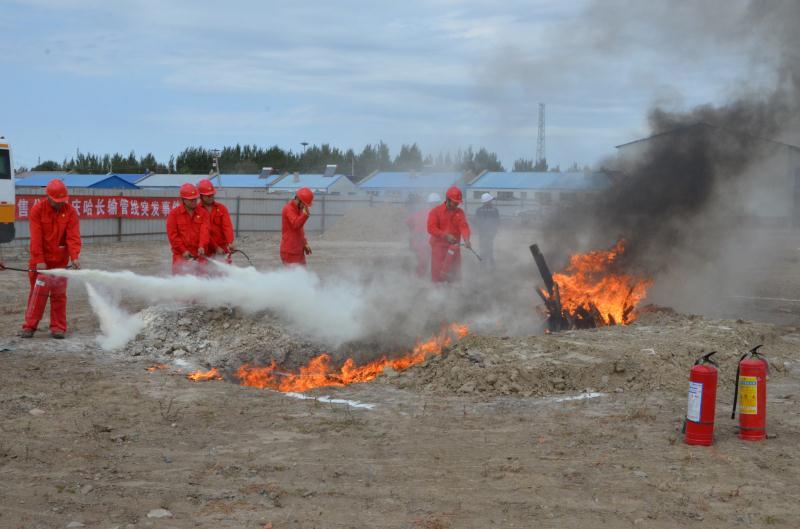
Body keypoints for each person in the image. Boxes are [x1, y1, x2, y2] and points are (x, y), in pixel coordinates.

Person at [20, 179, 81, 339]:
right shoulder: (37, 210)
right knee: (37, 293)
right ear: (48, 197)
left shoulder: (70, 212)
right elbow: (36, 237)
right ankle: (29, 326)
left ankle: (58, 328)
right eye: (57, 201)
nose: (60, 204)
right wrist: (39, 259)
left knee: (59, 295)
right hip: (40, 262)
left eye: (63, 201)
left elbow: (73, 237)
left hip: (60, 262)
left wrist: (74, 257)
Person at [427, 186, 471, 283]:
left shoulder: (459, 212)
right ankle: (436, 292)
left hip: (454, 248)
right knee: (437, 272)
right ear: (448, 200)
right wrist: (445, 235)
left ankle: (453, 291)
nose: (457, 205)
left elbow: (463, 226)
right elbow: (431, 228)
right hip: (439, 248)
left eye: (458, 203)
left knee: (455, 272)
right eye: (455, 203)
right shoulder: (435, 212)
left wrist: (466, 239)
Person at [166, 182, 210, 275]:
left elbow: (205, 231)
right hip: (181, 256)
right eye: (191, 200)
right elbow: (173, 236)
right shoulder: (174, 214)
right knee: (181, 284)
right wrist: (183, 250)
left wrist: (202, 245)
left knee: (202, 283)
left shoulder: (203, 213)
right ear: (183, 200)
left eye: (195, 199)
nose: (194, 202)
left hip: (199, 255)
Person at [197, 179, 236, 261]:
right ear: (201, 196)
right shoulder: (197, 211)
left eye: (212, 194)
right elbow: (203, 232)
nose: (211, 197)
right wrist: (215, 247)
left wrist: (230, 242)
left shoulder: (221, 208)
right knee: (204, 272)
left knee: (224, 272)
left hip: (222, 248)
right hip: (205, 249)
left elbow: (227, 226)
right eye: (208, 196)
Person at [406, 193, 440, 277]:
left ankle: (420, 277)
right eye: (436, 203)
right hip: (423, 240)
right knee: (424, 260)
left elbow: (408, 222)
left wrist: (412, 232)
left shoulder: (423, 211)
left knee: (424, 260)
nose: (436, 205)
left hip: (423, 240)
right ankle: (422, 278)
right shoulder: (436, 213)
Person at [280, 187, 314, 266]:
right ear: (298, 200)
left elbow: (299, 230)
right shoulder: (288, 209)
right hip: (290, 252)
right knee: (293, 277)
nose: (305, 207)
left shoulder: (299, 210)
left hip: (298, 251)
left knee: (303, 276)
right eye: (304, 204)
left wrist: (304, 243)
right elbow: (296, 224)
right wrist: (305, 215)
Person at [474, 192, 499, 269]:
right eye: (490, 200)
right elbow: (497, 222)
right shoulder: (494, 210)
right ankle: (491, 264)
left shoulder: (479, 210)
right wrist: (494, 232)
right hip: (490, 233)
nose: (491, 201)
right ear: (488, 201)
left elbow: (476, 222)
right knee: (489, 248)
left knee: (482, 248)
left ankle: (482, 264)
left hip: (482, 233)